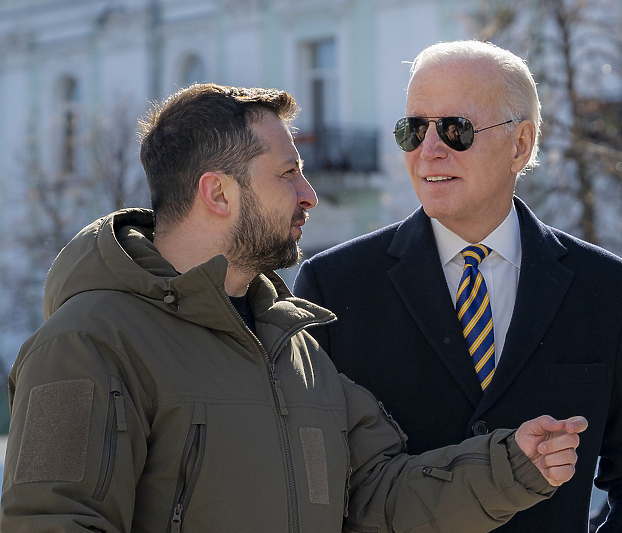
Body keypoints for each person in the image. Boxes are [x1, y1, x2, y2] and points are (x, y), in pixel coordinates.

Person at [1, 83, 588, 532]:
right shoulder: (87, 342)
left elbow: (374, 496)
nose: (308, 194)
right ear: (218, 192)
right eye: (288, 173)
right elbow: (52, 521)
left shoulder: (293, 346)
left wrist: (512, 465)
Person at [293, 40, 622, 533]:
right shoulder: (334, 286)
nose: (429, 151)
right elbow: (317, 485)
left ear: (520, 145)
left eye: (456, 129)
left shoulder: (608, 289)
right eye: (413, 130)